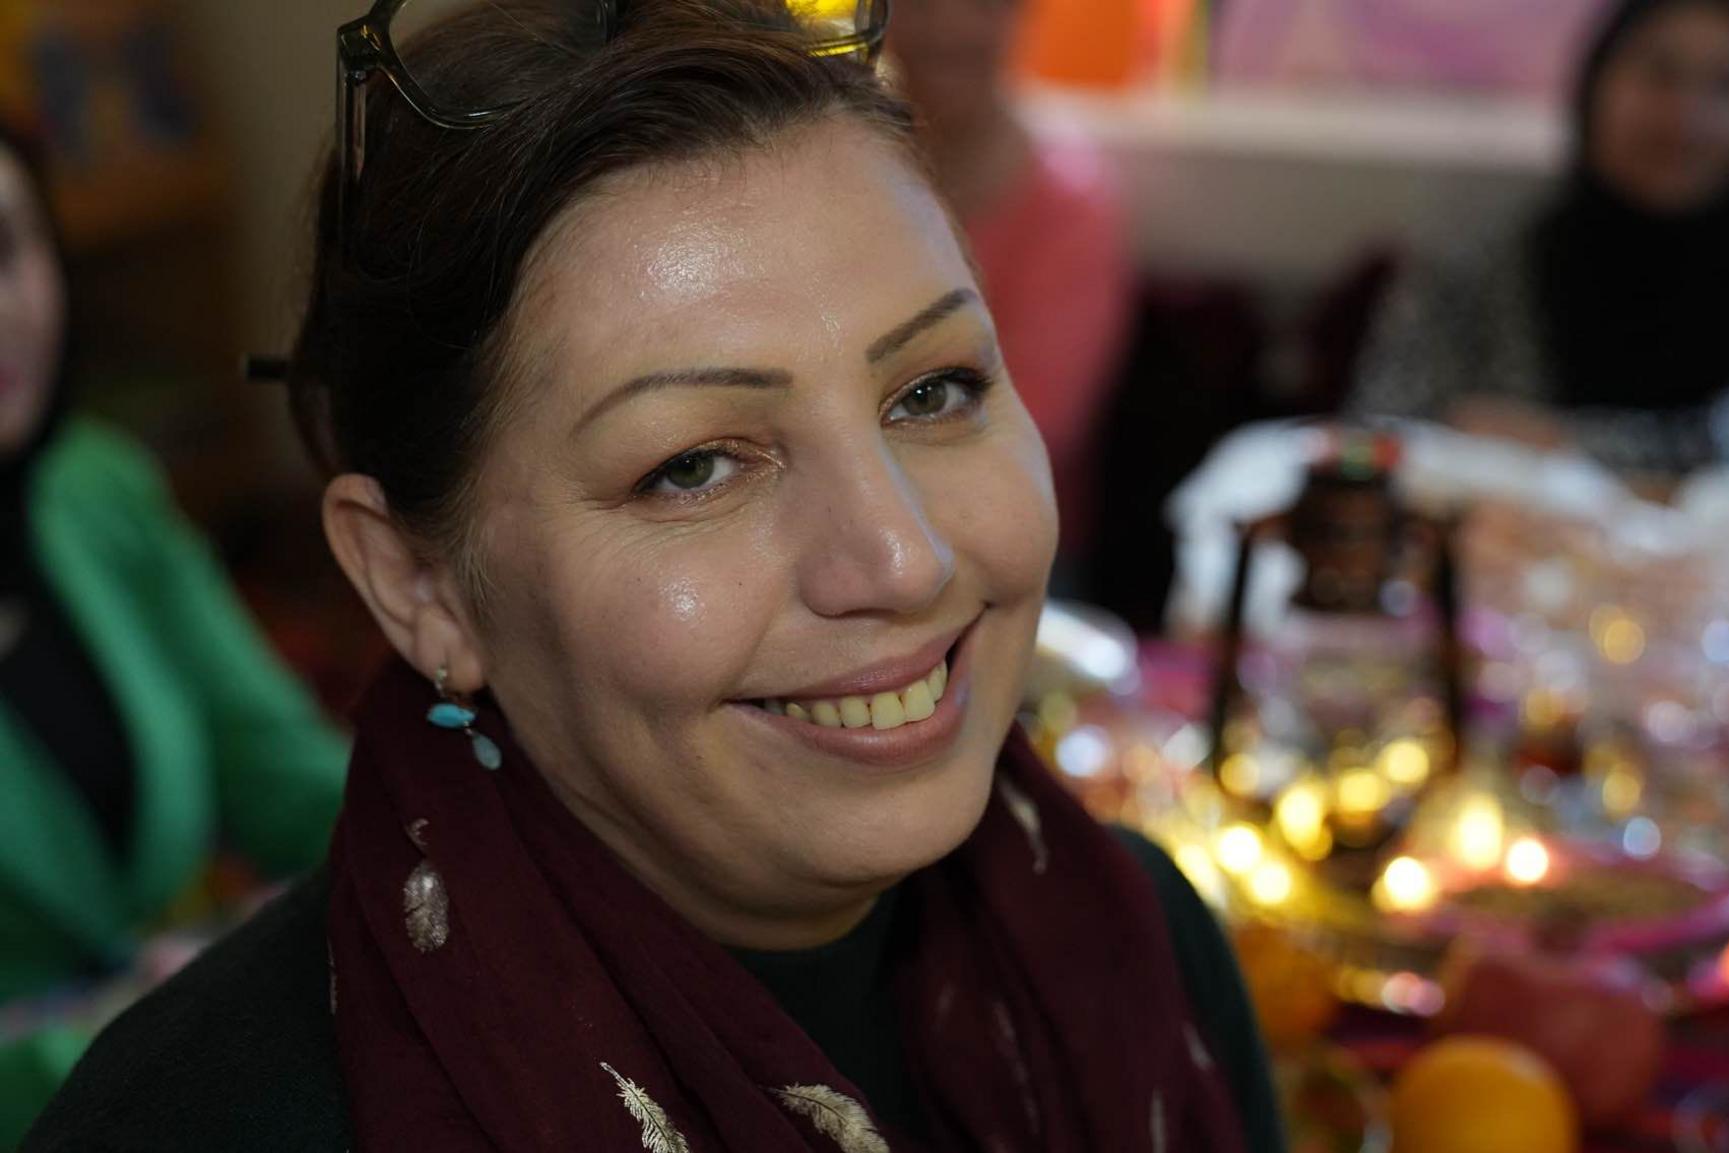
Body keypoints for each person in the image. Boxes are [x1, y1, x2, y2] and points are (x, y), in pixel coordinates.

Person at [26, 2, 1283, 1150]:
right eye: (692, 467)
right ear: (421, 586)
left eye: (932, 389)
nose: (900, 558)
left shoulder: (1142, 950)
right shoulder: (205, 1123)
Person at [0, 125, 349, 1143]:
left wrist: (462, 845)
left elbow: (291, 781)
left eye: (9, 247)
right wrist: (145, 1019)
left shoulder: (97, 489)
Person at [1348, 0, 1729, 502]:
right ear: (1595, 84)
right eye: (1661, 73)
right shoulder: (1471, 274)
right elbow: (1383, 445)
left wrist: (1555, 447)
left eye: (1726, 85)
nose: (1687, 115)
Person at [888, 0, 1134, 573]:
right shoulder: (841, 176)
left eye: (978, 6)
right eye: (923, 7)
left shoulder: (1070, 202)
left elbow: (1040, 424)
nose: (948, 29)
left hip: (1015, 546)